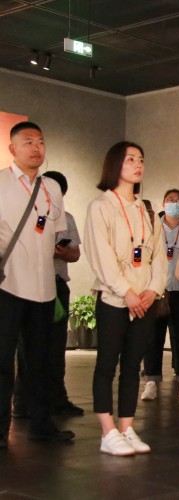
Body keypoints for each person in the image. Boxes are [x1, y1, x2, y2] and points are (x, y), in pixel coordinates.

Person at [84, 141, 168, 455]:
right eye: (130, 159)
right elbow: (101, 256)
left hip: (145, 299)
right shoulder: (101, 206)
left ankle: (126, 427)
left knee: (133, 366)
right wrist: (127, 292)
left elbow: (159, 257)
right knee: (107, 364)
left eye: (141, 159)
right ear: (115, 164)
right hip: (114, 298)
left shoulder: (147, 209)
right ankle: (107, 431)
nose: (138, 164)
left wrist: (153, 290)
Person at [0, 122, 74, 449]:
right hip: (8, 285)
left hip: (43, 287)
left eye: (41, 142)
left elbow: (53, 234)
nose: (36, 148)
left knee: (40, 361)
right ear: (12, 149)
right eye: (28, 142)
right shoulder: (1, 183)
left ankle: (41, 425)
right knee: (3, 361)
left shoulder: (51, 188)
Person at [12, 171, 84, 419]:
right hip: (28, 286)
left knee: (55, 346)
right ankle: (22, 403)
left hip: (57, 285)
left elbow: (75, 254)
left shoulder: (67, 218)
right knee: (27, 347)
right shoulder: (26, 214)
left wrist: (60, 252)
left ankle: (57, 400)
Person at [140, 188, 179, 401]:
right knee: (153, 337)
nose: (175, 203)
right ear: (163, 204)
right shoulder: (152, 228)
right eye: (170, 200)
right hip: (156, 290)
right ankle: (151, 381)